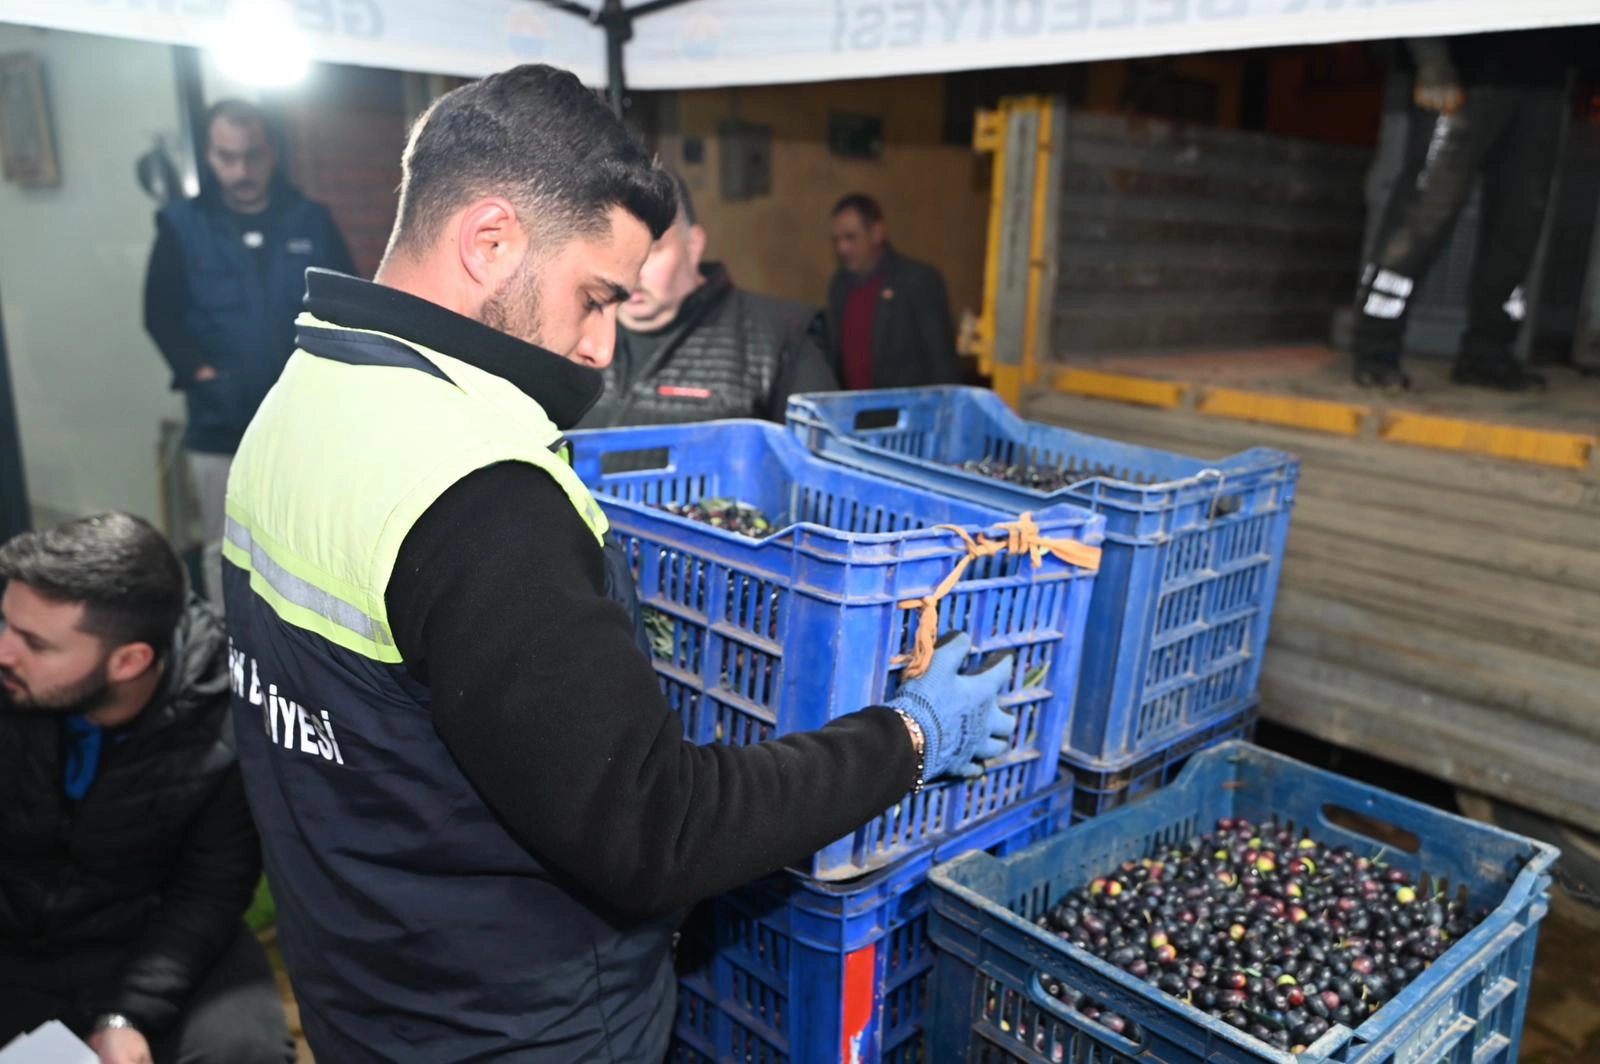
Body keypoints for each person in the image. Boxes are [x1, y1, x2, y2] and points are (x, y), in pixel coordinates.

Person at [221, 64, 1014, 1062]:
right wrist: (909, 733)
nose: (600, 347)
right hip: (519, 1028)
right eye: (594, 298)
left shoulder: (301, 395)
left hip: (365, 992)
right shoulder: (477, 490)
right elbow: (657, 831)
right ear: (491, 239)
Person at [0, 513, 293, 1064]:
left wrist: (127, 1015)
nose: (5, 652)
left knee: (243, 1052)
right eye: (5, 624)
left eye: (35, 643)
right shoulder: (13, 682)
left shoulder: (226, 717)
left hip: (152, 934)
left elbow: (208, 890)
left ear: (130, 661)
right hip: (12, 944)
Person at [143, 99, 355, 611]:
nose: (241, 171)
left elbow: (346, 305)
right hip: (220, 422)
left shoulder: (311, 220)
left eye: (252, 156)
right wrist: (201, 373)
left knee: (307, 540)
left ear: (272, 153)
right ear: (211, 157)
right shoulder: (181, 226)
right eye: (227, 157)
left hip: (302, 418)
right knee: (226, 547)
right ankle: (228, 655)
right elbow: (160, 315)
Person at [1351, 31, 1578, 392]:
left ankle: (1487, 354)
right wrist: (1431, 57)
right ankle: (1375, 348)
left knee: (1520, 222)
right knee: (1424, 213)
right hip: (1467, 63)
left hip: (1545, 74)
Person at [579, 173, 838, 426]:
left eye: (651, 250)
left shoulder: (781, 337)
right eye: (612, 251)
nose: (631, 273)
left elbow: (825, 458)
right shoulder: (574, 333)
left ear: (693, 245)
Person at [826, 192, 960, 389]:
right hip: (853, 414)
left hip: (906, 414)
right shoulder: (839, 287)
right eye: (837, 240)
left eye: (850, 238)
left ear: (877, 233)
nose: (842, 248)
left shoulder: (916, 281)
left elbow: (942, 364)